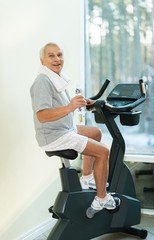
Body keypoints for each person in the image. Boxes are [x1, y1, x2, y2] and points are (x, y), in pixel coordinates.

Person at [30, 42, 120, 211]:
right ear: (42, 60)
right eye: (51, 56)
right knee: (103, 152)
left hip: (63, 128)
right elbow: (42, 115)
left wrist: (86, 103)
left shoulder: (54, 77)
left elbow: (63, 104)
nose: (57, 59)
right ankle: (102, 199)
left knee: (95, 132)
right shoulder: (42, 81)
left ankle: (86, 177)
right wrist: (70, 107)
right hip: (55, 135)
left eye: (59, 55)